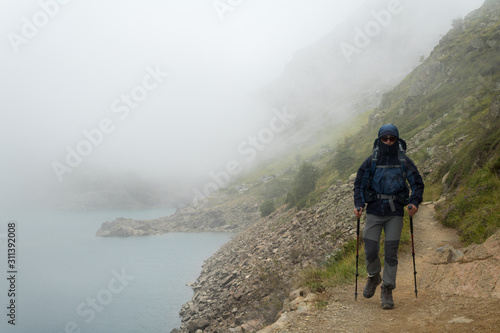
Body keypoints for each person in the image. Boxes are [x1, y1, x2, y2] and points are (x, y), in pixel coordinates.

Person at [353, 124, 424, 309]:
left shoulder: (404, 161)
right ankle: (374, 276)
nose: (388, 142)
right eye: (385, 139)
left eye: (392, 139)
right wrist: (359, 205)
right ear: (379, 140)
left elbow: (417, 183)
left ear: (397, 140)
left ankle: (387, 288)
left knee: (391, 253)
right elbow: (359, 185)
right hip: (374, 212)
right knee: (370, 250)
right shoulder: (371, 162)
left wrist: (414, 202)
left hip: (395, 213)